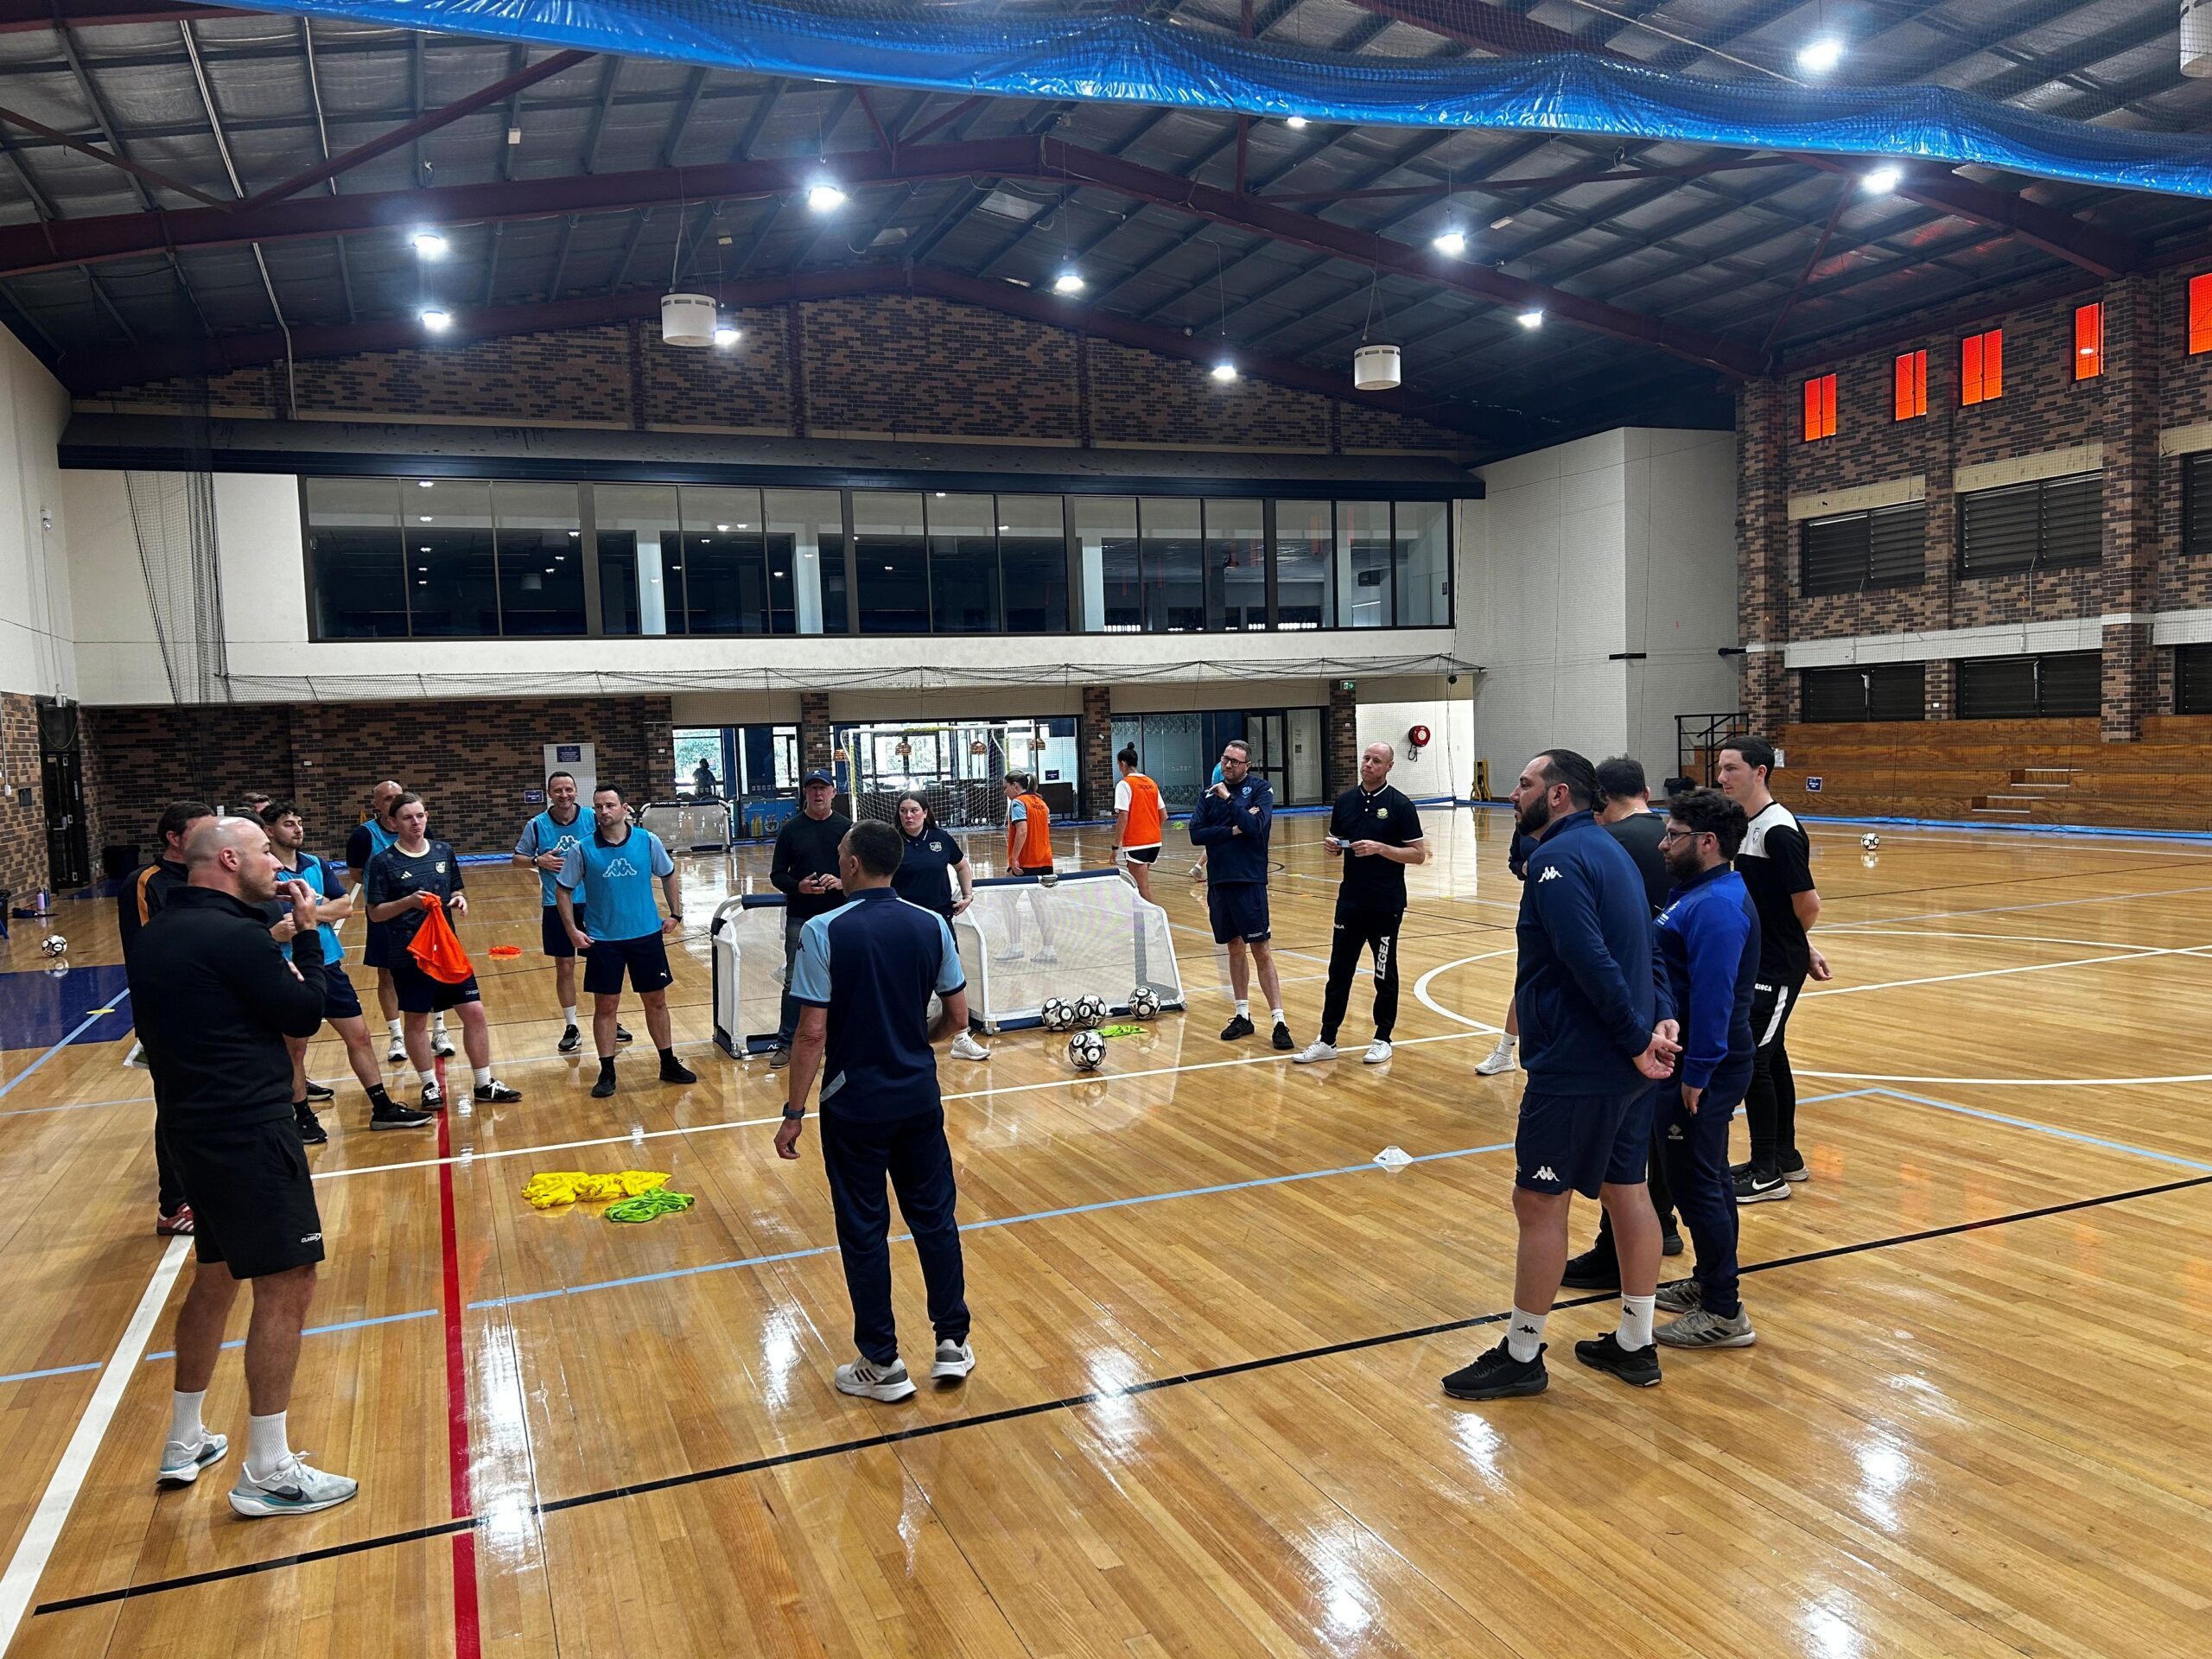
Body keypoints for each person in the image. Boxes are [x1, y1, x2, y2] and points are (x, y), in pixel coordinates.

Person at [136, 815, 357, 1517]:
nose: (277, 862)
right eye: (265, 852)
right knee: (289, 1282)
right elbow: (302, 1014)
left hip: (189, 1131)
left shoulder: (161, 932)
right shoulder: (236, 938)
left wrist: (274, 938)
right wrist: (313, 935)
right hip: (249, 1130)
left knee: (216, 1275)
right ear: (229, 860)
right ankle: (269, 1469)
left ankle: (185, 1439)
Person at [1441, 749, 1678, 1402]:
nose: (1511, 793)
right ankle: (1636, 1341)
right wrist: (1663, 1020)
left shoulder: (1555, 860)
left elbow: (1587, 956)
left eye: (1524, 784)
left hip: (1582, 1063)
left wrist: (1637, 1037)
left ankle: (1522, 1353)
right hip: (1625, 1064)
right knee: (1626, 1191)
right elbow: (1650, 945)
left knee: (1539, 1202)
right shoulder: (1615, 853)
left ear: (1559, 795)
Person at [772, 820, 975, 1404]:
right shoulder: (932, 924)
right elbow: (958, 1019)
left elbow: (811, 1033)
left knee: (865, 1232)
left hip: (853, 1105)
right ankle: (953, 1343)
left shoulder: (823, 930)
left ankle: (883, 1362)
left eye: (841, 854)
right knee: (934, 1220)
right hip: (918, 1098)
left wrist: (793, 1112)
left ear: (855, 865)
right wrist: (915, 1040)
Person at [1561, 755, 1684, 1286]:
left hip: (1635, 1002)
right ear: (1647, 789)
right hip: (1679, 998)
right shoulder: (1675, 837)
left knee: (1623, 1145)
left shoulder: (1603, 846)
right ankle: (1667, 1229)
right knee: (1666, 1129)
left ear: (1599, 800)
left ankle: (1620, 1252)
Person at [1649, 787, 1762, 1351]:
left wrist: (1697, 1072)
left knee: (1697, 1183)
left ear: (1708, 843)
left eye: (1673, 835)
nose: (1664, 844)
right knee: (1707, 1176)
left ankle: (1724, 1311)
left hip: (1703, 1064)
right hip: (1695, 1060)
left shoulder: (1716, 904)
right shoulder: (1698, 892)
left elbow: (1715, 997)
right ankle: (1709, 1283)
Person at [260, 803, 431, 1136]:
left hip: (327, 964)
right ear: (269, 831)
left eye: (299, 822)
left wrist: (307, 915)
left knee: (361, 1036)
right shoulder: (263, 876)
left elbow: (345, 906)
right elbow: (253, 929)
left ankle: (382, 1107)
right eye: (287, 824)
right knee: (295, 1048)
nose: (297, 829)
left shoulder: (314, 864)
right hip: (288, 968)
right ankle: (302, 1117)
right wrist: (278, 931)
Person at [1716, 736, 1832, 1202]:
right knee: (1773, 1055)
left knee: (1755, 1062)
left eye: (1732, 769)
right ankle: (1785, 1155)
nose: (1722, 777)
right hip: (1759, 959)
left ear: (1760, 772)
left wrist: (1794, 946)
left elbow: (1807, 904)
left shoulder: (1778, 831)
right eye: (1721, 768)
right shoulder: (1744, 824)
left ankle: (1766, 1174)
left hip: (1773, 968)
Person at [363, 794, 521, 1110]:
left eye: (420, 816)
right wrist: (408, 902)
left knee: (474, 1012)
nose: (416, 822)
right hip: (410, 954)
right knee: (417, 1021)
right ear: (393, 823)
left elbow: (457, 888)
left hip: (448, 950)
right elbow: (375, 912)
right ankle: (429, 1086)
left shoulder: (443, 851)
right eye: (408, 817)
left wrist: (459, 899)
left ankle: (483, 1082)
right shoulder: (383, 863)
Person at [556, 785, 697, 1098]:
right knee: (606, 1006)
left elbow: (669, 874)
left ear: (624, 808)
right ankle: (607, 1071)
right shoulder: (582, 849)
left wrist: (676, 914)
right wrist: (571, 930)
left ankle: (668, 1063)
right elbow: (563, 889)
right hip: (603, 941)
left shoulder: (648, 841)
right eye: (598, 807)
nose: (603, 812)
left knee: (657, 1002)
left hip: (646, 936)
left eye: (609, 805)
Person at [1294, 742, 1427, 1066]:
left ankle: (1383, 1038)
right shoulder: (1346, 801)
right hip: (1350, 901)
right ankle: (1327, 1039)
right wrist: (1333, 847)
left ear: (1389, 767)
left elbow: (1418, 854)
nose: (1368, 764)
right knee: (1339, 971)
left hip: (1385, 904)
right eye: (1366, 758)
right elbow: (1340, 841)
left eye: (1376, 760)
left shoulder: (1400, 806)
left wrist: (1382, 848)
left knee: (1384, 973)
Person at [119, 799, 216, 1236]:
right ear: (174, 839)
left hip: (217, 1015)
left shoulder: (210, 875)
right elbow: (151, 954)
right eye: (201, 832)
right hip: (170, 1018)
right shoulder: (146, 883)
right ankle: (173, 1204)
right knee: (177, 1107)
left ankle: (207, 1189)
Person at [513, 771, 631, 1057]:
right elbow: (517, 859)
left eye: (568, 789)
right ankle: (571, 1026)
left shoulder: (593, 818)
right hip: (557, 904)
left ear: (576, 792)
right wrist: (536, 860)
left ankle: (608, 1019)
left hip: (595, 903)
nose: (563, 795)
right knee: (564, 966)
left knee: (603, 964)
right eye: (557, 790)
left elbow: (616, 842)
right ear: (549, 794)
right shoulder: (537, 825)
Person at [1189, 740, 1292, 1051]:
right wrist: (1230, 830)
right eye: (1226, 759)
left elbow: (1255, 826)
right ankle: (1242, 1015)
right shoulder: (1208, 795)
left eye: (1235, 761)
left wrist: (1232, 805)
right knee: (1234, 948)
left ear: (1248, 765)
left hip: (1249, 881)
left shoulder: (1261, 790)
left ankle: (1279, 1020)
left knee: (1261, 950)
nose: (1229, 765)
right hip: (1219, 882)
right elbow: (1196, 834)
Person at [890, 793, 989, 1064]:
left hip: (941, 923)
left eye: (913, 811)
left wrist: (968, 896)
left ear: (925, 812)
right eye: (903, 811)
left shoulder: (940, 838)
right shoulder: (892, 843)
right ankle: (907, 1040)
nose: (908, 816)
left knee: (953, 977)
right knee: (910, 983)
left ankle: (961, 1038)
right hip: (904, 926)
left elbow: (962, 866)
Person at [346, 780, 439, 1065]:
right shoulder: (364, 836)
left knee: (433, 967)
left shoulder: (422, 830)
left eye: (398, 797)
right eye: (387, 799)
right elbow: (356, 874)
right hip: (386, 913)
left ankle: (440, 1029)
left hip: (421, 916)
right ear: (377, 805)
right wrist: (394, 886)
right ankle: (396, 1035)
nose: (394, 802)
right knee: (386, 973)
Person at [766, 770, 851, 1067]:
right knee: (793, 981)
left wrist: (841, 882)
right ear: (805, 792)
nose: (818, 794)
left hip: (840, 917)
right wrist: (798, 886)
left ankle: (841, 1038)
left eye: (823, 788)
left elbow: (860, 870)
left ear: (833, 792)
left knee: (844, 978)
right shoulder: (791, 830)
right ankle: (787, 1042)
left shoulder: (847, 828)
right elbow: (777, 874)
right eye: (813, 788)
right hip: (801, 917)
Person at [1475, 825, 1539, 1077]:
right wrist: (1521, 868)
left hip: (1570, 908)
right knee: (1525, 979)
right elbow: (1515, 860)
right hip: (1533, 911)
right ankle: (1504, 1053)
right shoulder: (1525, 824)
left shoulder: (1574, 826)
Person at [998, 772, 1059, 965]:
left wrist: (1014, 858)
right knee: (1041, 906)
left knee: (1006, 900)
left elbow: (1022, 830)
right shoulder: (1042, 803)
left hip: (1025, 864)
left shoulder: (1017, 803)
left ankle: (1015, 946)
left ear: (1015, 786)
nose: (1005, 791)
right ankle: (1049, 949)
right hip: (1045, 861)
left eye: (1006, 787)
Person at [1112, 746, 1166, 904]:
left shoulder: (1124, 784)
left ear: (1123, 764)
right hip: (1154, 842)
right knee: (1137, 887)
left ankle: (1154, 922)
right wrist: (1150, 828)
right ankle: (1139, 925)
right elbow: (1163, 815)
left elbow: (1123, 816)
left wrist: (1115, 846)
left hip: (1137, 844)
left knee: (1141, 889)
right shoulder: (1151, 783)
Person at [1189, 760, 1224, 880]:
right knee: (1217, 841)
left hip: (1214, 801)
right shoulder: (1223, 768)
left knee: (1215, 842)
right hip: (1218, 802)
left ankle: (1198, 867)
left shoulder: (1218, 766)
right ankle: (1198, 867)